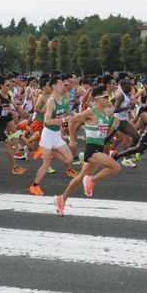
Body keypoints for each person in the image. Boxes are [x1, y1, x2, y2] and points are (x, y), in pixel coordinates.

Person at [55, 87, 121, 216]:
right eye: (106, 97)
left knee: (80, 178)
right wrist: (72, 140)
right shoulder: (91, 112)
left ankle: (61, 199)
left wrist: (113, 127)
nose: (108, 99)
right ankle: (92, 180)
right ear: (97, 99)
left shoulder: (106, 113)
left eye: (109, 97)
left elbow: (105, 136)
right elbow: (73, 120)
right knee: (116, 167)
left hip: (99, 147)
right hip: (92, 150)